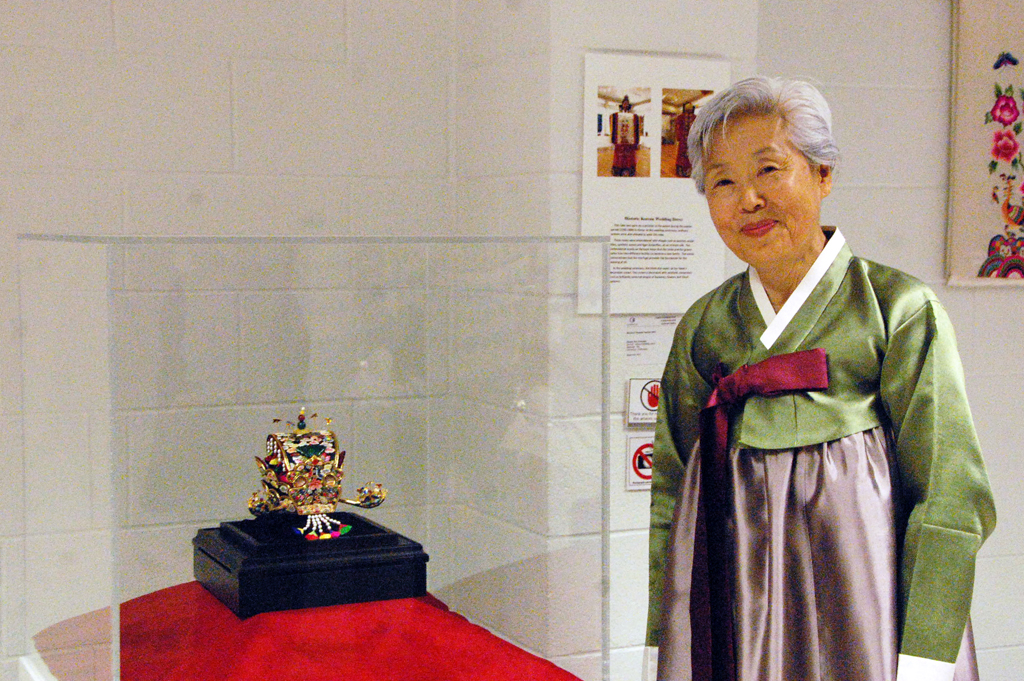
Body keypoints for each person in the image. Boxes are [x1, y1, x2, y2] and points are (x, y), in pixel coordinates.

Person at [646, 77, 996, 681]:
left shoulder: (897, 310)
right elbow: (671, 491)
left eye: (769, 170)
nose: (748, 199)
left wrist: (926, 656)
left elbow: (950, 496)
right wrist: (666, 635)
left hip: (866, 613)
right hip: (734, 605)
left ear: (823, 173)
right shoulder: (704, 328)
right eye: (723, 182)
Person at [611, 96, 643, 176]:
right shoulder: (617, 115)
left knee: (629, 155)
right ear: (622, 104)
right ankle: (619, 168)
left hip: (629, 140)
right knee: (620, 155)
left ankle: (629, 168)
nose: (625, 105)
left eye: (627, 103)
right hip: (620, 139)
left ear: (629, 105)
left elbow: (636, 126)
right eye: (624, 103)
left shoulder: (632, 116)